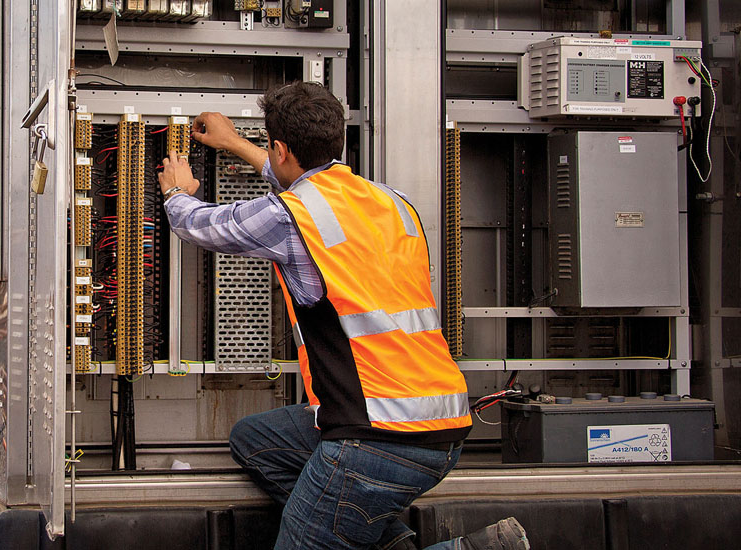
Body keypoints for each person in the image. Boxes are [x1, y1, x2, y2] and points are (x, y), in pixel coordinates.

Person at [155, 82, 530, 550]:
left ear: (282, 148)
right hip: (444, 423)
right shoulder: (391, 201)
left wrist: (177, 193)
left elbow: (200, 224)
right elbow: (299, 189)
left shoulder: (292, 216)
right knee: (255, 440)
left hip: (376, 436)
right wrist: (233, 143)